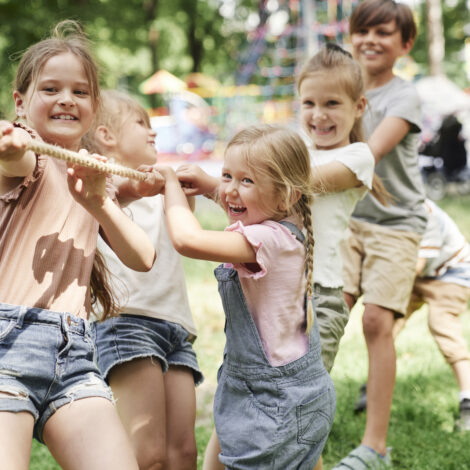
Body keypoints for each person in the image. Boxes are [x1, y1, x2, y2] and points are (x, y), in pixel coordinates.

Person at [0, 22, 157, 470]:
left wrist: (98, 201)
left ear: (94, 107)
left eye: (80, 91)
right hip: (7, 344)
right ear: (21, 102)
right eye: (50, 88)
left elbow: (142, 257)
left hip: (73, 353)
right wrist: (10, 143)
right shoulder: (28, 159)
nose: (67, 98)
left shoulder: (91, 175)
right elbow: (16, 156)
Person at [159, 124, 336, 469]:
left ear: (287, 195)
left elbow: (188, 241)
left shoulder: (267, 240)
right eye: (228, 175)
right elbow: (247, 199)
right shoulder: (291, 218)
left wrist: (170, 188)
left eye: (247, 181)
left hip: (277, 401)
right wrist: (213, 185)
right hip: (260, 388)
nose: (231, 190)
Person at [86, 89, 203, 470]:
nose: (153, 133)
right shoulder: (96, 188)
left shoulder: (161, 189)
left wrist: (183, 190)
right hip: (128, 323)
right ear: (106, 136)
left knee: (183, 453)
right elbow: (113, 200)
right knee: (147, 455)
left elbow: (190, 237)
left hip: (175, 325)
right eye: (142, 124)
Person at [337, 0, 427, 467]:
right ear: (351, 36)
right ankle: (301, 413)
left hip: (395, 224)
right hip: (347, 219)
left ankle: (375, 445)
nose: (371, 40)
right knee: (328, 311)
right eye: (363, 31)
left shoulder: (404, 97)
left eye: (384, 32)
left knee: (376, 321)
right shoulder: (341, 89)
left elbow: (365, 155)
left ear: (405, 44)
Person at [355, 199, 470, 432]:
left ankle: (467, 400)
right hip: (416, 275)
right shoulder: (384, 211)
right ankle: (373, 388)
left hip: (451, 272)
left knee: (443, 327)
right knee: (385, 325)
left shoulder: (423, 213)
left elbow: (416, 265)